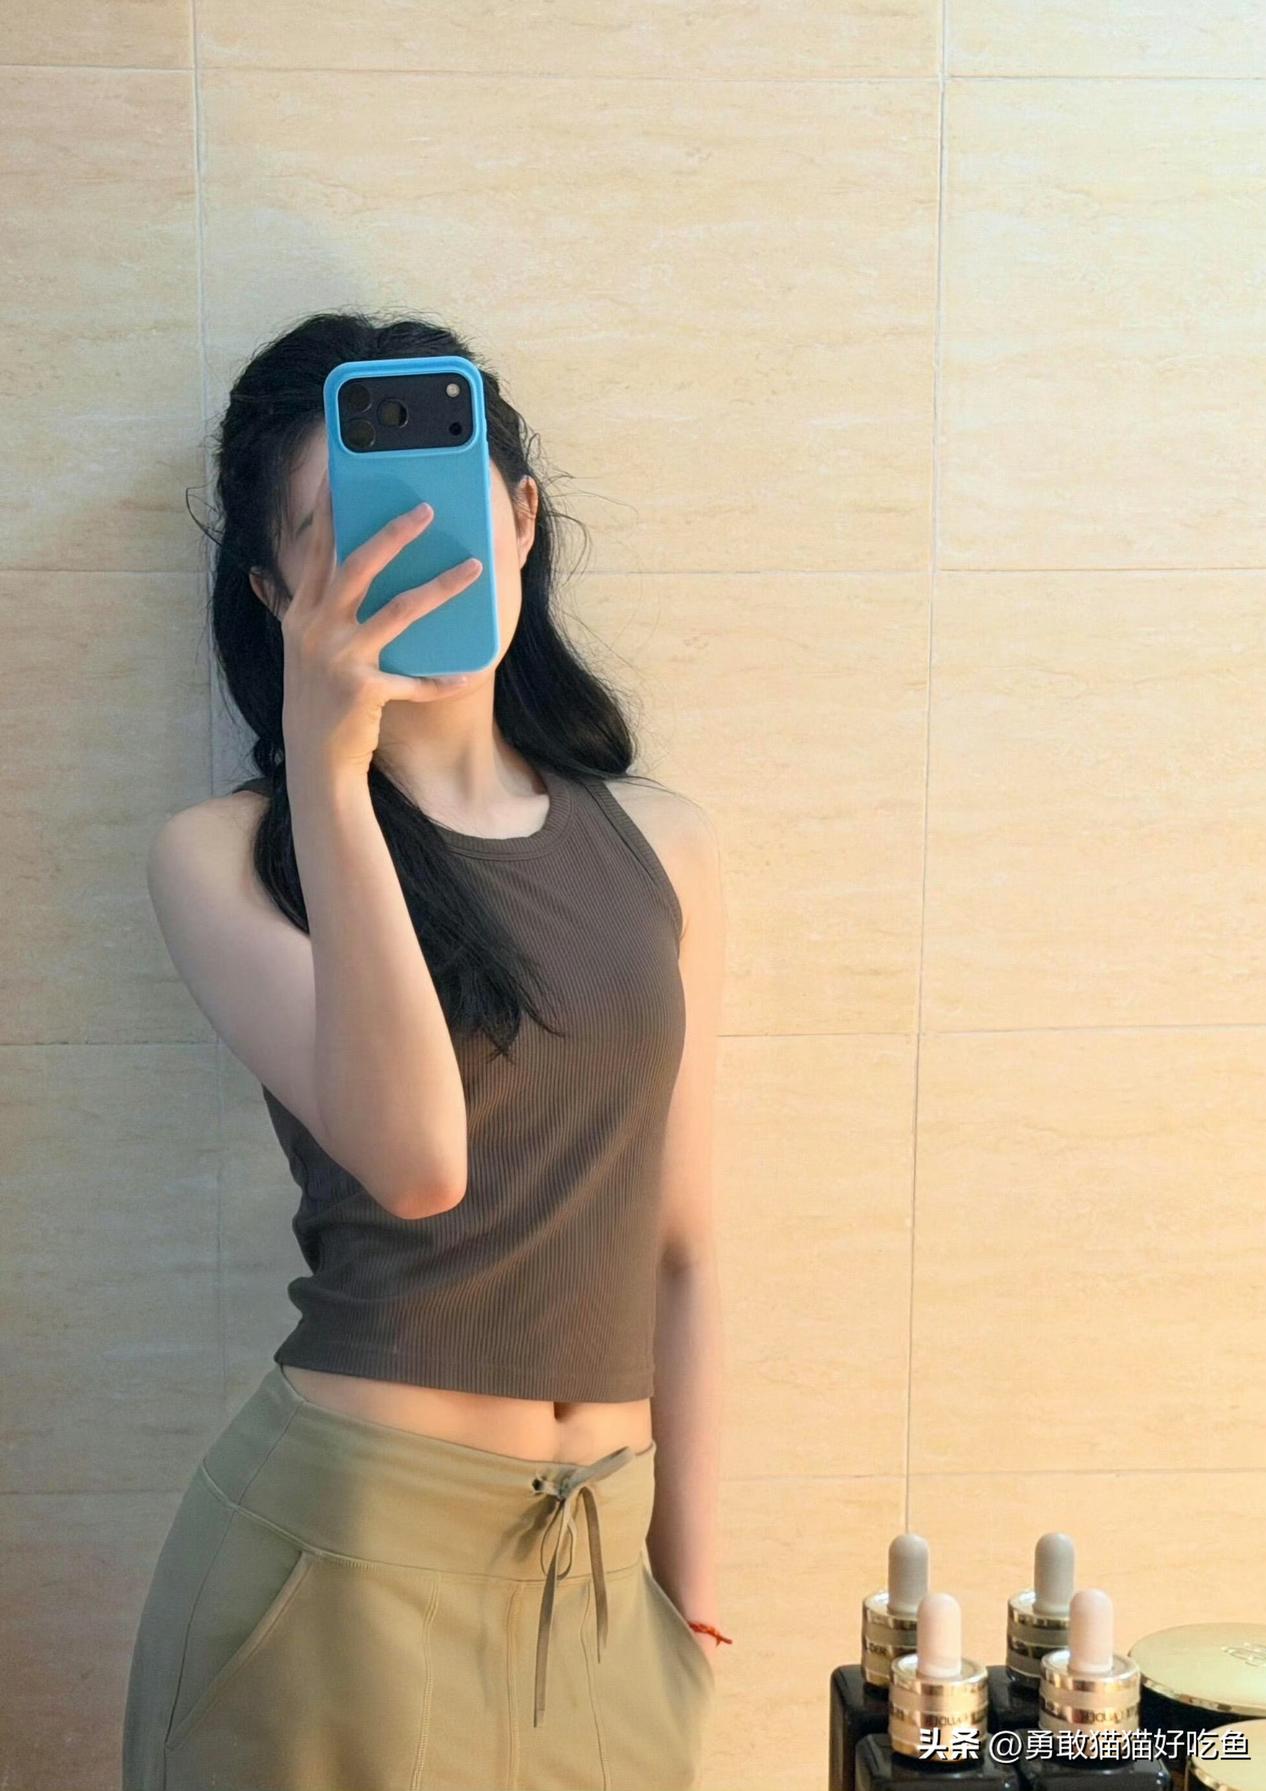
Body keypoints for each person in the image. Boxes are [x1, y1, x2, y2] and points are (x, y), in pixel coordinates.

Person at [120, 311, 728, 1790]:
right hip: (347, 1561)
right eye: (347, 544)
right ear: (276, 594)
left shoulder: (663, 844)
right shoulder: (225, 856)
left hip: (601, 1576)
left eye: (439, 517)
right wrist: (331, 777)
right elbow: (415, 1161)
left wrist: (687, 1600)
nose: (413, 569)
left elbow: (681, 1249)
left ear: (517, 520)